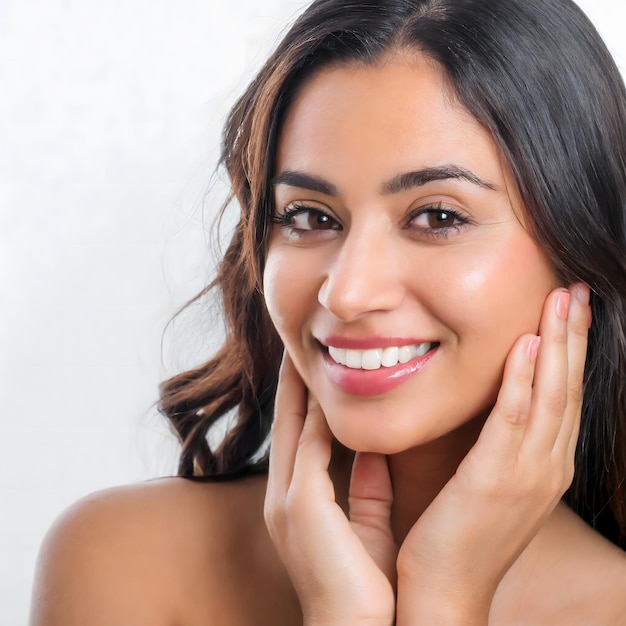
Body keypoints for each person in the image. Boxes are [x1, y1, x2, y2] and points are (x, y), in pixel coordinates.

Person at [30, 0, 626, 624]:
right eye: (310, 217)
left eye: (438, 216)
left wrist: (445, 598)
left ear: (576, 249)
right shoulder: (121, 561)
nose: (346, 293)